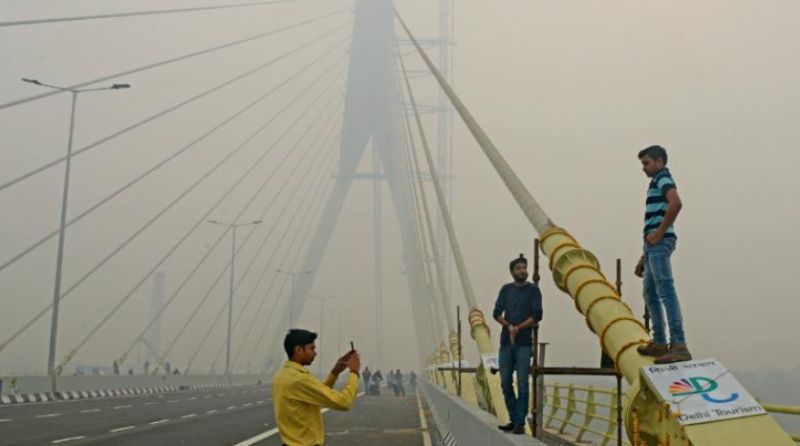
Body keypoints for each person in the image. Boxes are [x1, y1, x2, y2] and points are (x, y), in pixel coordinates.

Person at [634, 145, 692, 364]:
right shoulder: (655, 182)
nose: (644, 168)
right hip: (651, 246)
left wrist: (659, 234)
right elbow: (653, 220)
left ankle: (679, 344)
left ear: (659, 161)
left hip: (659, 242)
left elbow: (676, 203)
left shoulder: (663, 178)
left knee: (665, 290)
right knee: (650, 293)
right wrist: (643, 256)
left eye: (646, 163)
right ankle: (659, 342)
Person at [273, 329, 360, 446]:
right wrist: (354, 372)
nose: (315, 353)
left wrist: (335, 372)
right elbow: (344, 402)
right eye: (311, 348)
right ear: (298, 350)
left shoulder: (283, 375)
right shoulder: (299, 379)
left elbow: (316, 393)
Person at [493, 254, 543, 435]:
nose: (522, 271)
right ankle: (513, 419)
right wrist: (509, 326)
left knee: (522, 384)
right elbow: (496, 313)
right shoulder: (506, 290)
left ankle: (520, 422)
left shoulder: (533, 291)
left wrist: (519, 328)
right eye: (518, 268)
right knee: (505, 383)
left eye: (524, 267)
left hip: (523, 345)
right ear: (512, 272)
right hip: (506, 344)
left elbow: (537, 315)